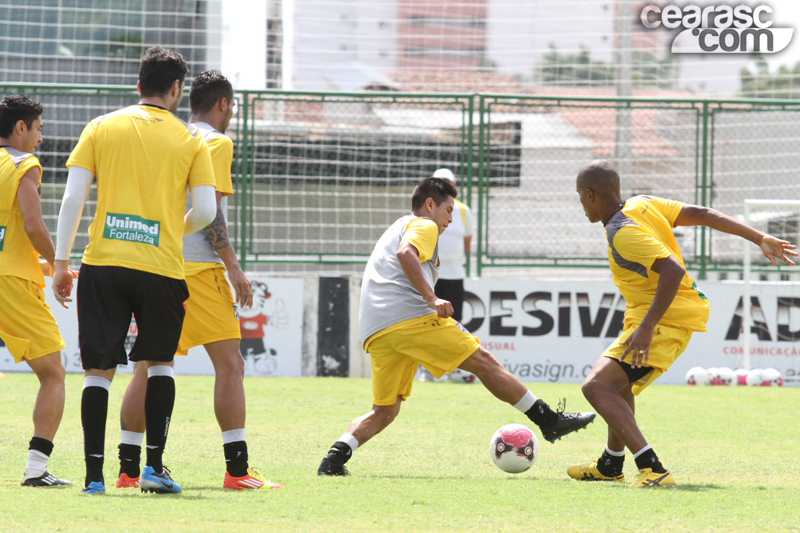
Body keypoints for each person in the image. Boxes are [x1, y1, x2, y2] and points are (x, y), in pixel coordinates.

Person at [317, 177, 596, 476]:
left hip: (378, 331)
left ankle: (333, 459)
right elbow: (405, 254)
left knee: (385, 410)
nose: (451, 218)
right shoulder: (424, 225)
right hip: (408, 318)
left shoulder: (396, 227)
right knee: (484, 362)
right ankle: (550, 420)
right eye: (449, 210)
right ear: (429, 205)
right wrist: (432, 297)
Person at [569, 160, 797, 488]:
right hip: (659, 314)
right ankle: (610, 463)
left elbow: (672, 270)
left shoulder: (623, 232)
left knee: (596, 386)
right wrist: (758, 236)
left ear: (590, 195)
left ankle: (653, 468)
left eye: (579, 196)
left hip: (667, 320)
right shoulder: (642, 204)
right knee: (618, 385)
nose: (580, 203)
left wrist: (647, 327)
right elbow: (702, 213)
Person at [53, 47, 217, 495]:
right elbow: (204, 210)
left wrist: (62, 262)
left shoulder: (100, 126)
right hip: (160, 266)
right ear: (177, 89)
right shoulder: (191, 139)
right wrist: (170, 230)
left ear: (138, 83)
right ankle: (154, 469)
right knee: (159, 364)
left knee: (96, 371)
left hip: (102, 263)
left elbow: (72, 200)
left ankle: (93, 477)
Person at [114, 70, 281, 491]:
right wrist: (233, 266)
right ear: (223, 104)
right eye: (233, 107)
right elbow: (212, 214)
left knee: (147, 368)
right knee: (230, 364)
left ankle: (128, 472)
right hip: (201, 269)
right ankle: (237, 471)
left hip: (158, 262)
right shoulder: (215, 142)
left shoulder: (168, 135)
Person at [0, 95, 77, 488]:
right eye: (39, 129)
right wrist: (60, 264)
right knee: (53, 373)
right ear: (20, 128)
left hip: (13, 271)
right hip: (10, 283)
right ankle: (35, 469)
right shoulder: (23, 165)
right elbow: (32, 226)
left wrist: (45, 266)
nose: (41, 139)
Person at [431, 168, 473, 323]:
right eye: (439, 183)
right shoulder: (427, 208)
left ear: (453, 185)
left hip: (454, 275)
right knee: (429, 322)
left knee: (455, 323)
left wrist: (455, 258)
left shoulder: (463, 210)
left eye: (447, 183)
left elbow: (467, 240)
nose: (443, 187)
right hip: (430, 276)